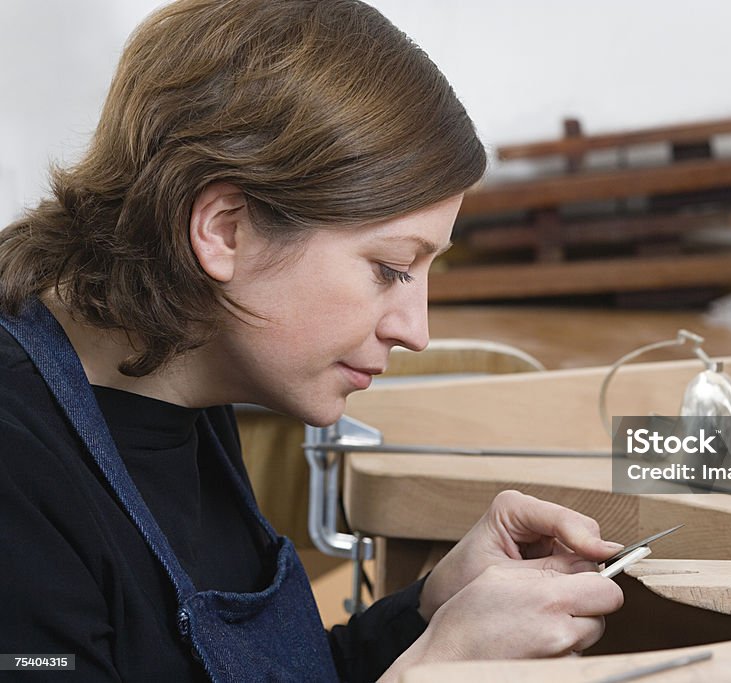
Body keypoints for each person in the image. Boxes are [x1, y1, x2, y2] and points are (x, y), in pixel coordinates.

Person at [0, 1, 624, 681]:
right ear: (225, 230)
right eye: (389, 268)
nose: (416, 330)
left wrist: (429, 614)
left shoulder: (186, 374)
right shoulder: (18, 466)